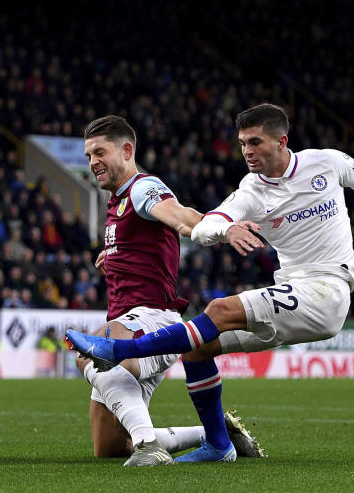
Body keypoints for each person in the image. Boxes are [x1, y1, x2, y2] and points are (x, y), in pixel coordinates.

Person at [68, 104, 354, 462]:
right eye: (242, 144)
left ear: (282, 141)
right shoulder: (251, 191)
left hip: (328, 287)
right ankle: (219, 443)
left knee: (218, 309)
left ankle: (121, 352)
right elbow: (206, 225)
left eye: (254, 142)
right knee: (197, 349)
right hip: (293, 289)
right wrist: (225, 227)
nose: (246, 151)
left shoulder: (326, 162)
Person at [69, 115, 264, 467]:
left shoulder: (143, 187)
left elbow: (180, 216)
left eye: (100, 152)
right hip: (129, 318)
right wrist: (113, 256)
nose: (93, 162)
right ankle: (215, 432)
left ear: (127, 150)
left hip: (152, 317)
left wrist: (222, 229)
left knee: (88, 353)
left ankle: (149, 446)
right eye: (87, 156)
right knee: (110, 448)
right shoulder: (117, 202)